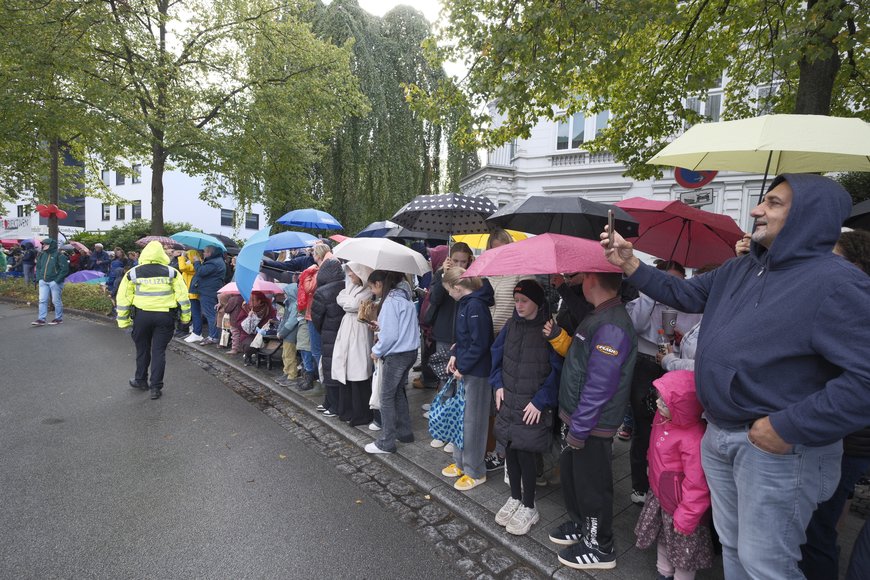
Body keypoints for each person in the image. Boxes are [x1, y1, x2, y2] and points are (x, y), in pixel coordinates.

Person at [601, 174, 870, 579]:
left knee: (768, 565)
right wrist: (630, 263)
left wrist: (787, 425)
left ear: (809, 217)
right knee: (734, 550)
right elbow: (686, 294)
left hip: (776, 450)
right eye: (762, 201)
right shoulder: (742, 268)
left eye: (774, 203)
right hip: (720, 433)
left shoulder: (837, 283)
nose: (756, 210)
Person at [544, 270, 636, 570]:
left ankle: (600, 546)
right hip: (578, 419)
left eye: (582, 277)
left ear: (593, 280)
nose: (579, 282)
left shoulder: (611, 325)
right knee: (574, 479)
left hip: (591, 425)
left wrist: (580, 429)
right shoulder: (599, 314)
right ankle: (582, 524)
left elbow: (600, 386)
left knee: (592, 486)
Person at [800, 228, 870, 580]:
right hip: (832, 438)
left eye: (834, 258)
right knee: (818, 524)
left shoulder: (855, 309)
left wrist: (784, 425)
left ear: (857, 266)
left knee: (816, 531)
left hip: (844, 441)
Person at [625, 261, 702, 507]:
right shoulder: (645, 300)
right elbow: (633, 326)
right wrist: (650, 294)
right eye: (665, 281)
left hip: (674, 366)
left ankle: (664, 483)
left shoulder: (688, 304)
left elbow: (684, 341)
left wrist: (674, 347)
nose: (669, 287)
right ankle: (640, 485)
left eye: (676, 282)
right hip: (645, 363)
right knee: (643, 426)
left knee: (672, 428)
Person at [490, 280, 561, 535]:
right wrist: (497, 384)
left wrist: (542, 400)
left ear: (537, 302)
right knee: (510, 448)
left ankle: (530, 506)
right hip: (509, 399)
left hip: (532, 403)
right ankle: (515, 497)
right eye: (516, 300)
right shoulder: (510, 326)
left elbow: (557, 371)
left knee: (526, 453)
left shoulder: (548, 330)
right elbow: (495, 357)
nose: (519, 305)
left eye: (524, 301)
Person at [634, 370, 714, 580]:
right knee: (663, 539)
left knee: (684, 554)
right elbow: (653, 449)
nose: (659, 403)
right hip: (661, 497)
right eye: (660, 397)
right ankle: (664, 574)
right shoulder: (662, 418)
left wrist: (687, 516)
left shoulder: (694, 438)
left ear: (685, 407)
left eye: (667, 402)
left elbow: (698, 484)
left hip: (682, 507)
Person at [441, 267, 495, 491]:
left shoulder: (475, 306)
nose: (448, 295)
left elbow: (480, 343)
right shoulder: (467, 304)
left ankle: (475, 470)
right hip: (466, 369)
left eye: (448, 290)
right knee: (461, 419)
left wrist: (462, 364)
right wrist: (455, 354)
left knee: (473, 422)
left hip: (476, 372)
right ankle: (462, 462)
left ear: (456, 287)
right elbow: (464, 339)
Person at [116, 241, 191, 400]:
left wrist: (123, 321)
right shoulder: (172, 273)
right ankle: (156, 388)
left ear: (144, 254)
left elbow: (123, 298)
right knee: (159, 351)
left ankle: (141, 380)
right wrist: (185, 318)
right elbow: (183, 298)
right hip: (164, 317)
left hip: (142, 316)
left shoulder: (133, 273)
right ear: (162, 254)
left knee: (142, 349)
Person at [365, 270, 420, 454]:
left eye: (372, 287)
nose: (372, 291)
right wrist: (381, 326)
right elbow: (399, 327)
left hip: (397, 355)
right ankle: (404, 432)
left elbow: (390, 336)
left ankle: (386, 442)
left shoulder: (389, 302)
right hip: (410, 351)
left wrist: (376, 351)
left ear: (379, 284)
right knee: (397, 392)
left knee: (386, 396)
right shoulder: (404, 298)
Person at [332, 262, 375, 426]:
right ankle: (347, 410)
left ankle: (360, 412)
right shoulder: (351, 287)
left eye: (353, 273)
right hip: (348, 328)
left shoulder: (367, 290)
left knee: (358, 368)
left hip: (359, 329)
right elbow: (340, 298)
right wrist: (347, 300)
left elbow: (353, 305)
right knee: (347, 368)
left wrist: (347, 300)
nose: (349, 275)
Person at [311, 257, 344, 417]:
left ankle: (333, 405)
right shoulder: (345, 286)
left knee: (329, 368)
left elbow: (316, 318)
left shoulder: (321, 292)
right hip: (343, 333)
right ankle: (330, 402)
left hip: (328, 333)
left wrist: (323, 329)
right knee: (338, 368)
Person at [189, 245, 226, 346]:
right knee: (211, 314)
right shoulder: (217, 261)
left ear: (210, 253)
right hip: (210, 290)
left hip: (208, 291)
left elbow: (201, 272)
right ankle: (213, 335)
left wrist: (196, 261)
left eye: (205, 252)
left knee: (210, 314)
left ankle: (213, 337)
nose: (204, 253)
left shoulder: (213, 263)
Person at [31, 238, 70, 326]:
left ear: (51, 245)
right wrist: (39, 278)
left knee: (56, 301)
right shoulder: (42, 255)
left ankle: (58, 318)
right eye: (43, 244)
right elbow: (38, 267)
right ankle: (41, 319)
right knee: (42, 300)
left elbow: (64, 269)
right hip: (43, 281)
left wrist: (56, 281)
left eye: (45, 244)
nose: (43, 245)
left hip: (55, 282)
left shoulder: (60, 255)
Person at [236, 291, 276, 365]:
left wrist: (271, 321)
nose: (250, 302)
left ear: (259, 301)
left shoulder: (268, 308)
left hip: (264, 334)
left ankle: (264, 356)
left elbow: (274, 318)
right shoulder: (246, 308)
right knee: (249, 345)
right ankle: (248, 357)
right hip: (248, 335)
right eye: (249, 300)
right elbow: (238, 324)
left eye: (253, 300)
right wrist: (249, 318)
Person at [273, 282, 300, 387]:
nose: (284, 295)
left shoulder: (295, 305)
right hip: (287, 334)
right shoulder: (290, 303)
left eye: (286, 293)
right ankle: (286, 372)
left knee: (289, 355)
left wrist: (283, 332)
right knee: (285, 354)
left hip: (290, 334)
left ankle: (291, 375)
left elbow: (291, 322)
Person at [178, 249, 201, 340]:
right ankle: (194, 331)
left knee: (195, 313)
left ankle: (197, 332)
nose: (187, 258)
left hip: (192, 293)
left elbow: (182, 268)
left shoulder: (194, 266)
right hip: (188, 293)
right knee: (193, 313)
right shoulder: (191, 265)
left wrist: (182, 257)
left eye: (188, 256)